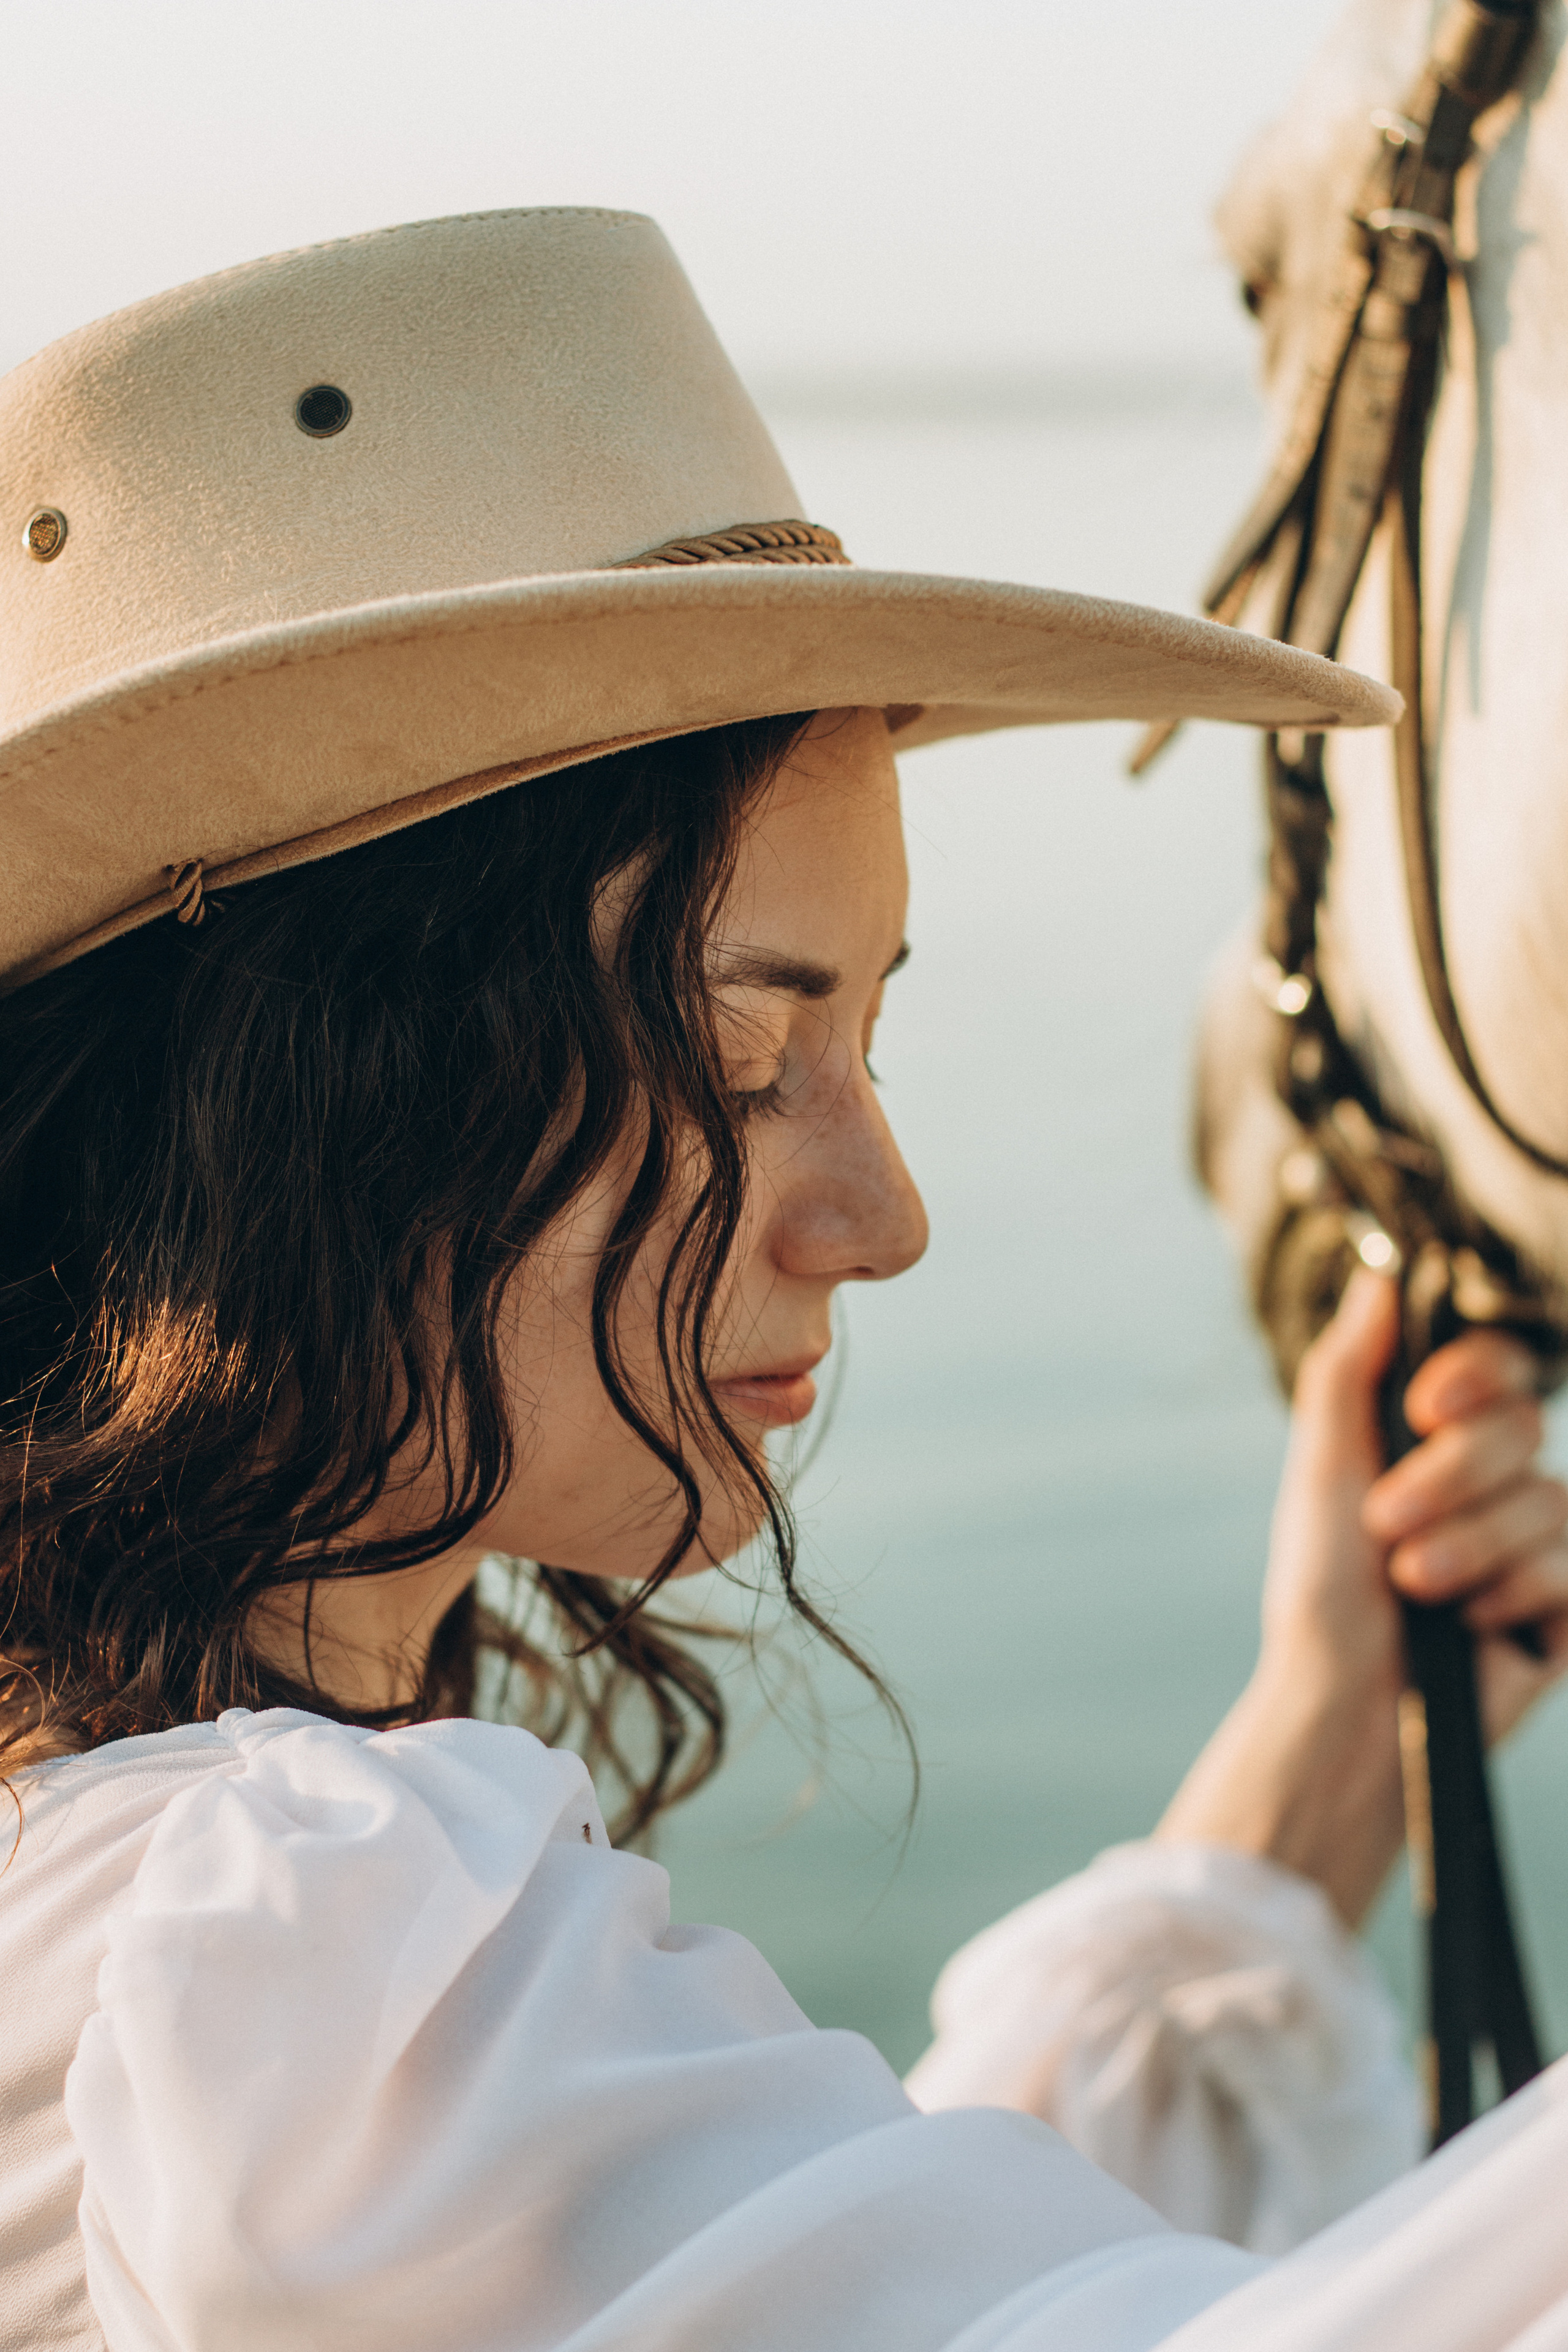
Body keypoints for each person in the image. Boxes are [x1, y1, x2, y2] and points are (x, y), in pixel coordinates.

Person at [2, 208, 1566, 2352]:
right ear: (309, 1109)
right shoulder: (278, 1951)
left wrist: (1324, 1762)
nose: (888, 1213)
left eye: (872, 1038)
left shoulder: (156, 1905)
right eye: (737, 1061)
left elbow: (830, 2280)